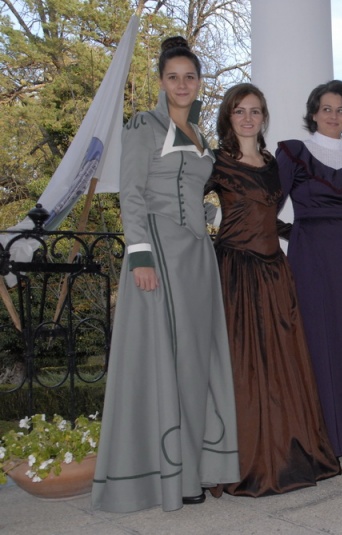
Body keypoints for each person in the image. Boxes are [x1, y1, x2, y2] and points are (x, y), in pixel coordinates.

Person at [92, 37, 239, 513]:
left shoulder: (200, 137)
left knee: (196, 361)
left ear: (199, 83)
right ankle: (172, 476)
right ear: (160, 81)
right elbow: (131, 192)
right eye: (173, 77)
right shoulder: (144, 125)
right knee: (167, 360)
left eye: (189, 77)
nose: (182, 84)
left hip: (197, 257)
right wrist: (139, 255)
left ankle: (196, 468)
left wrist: (211, 217)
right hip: (158, 253)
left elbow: (194, 195)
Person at [204, 83, 341, 497]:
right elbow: (185, 203)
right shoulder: (214, 162)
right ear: (228, 117)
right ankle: (245, 461)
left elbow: (267, 214)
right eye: (239, 111)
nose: (248, 118)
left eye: (255, 111)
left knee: (284, 365)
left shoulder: (271, 163)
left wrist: (308, 235)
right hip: (235, 271)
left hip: (274, 272)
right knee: (242, 368)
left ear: (264, 117)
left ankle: (286, 452)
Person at [275, 80, 342, 459]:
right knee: (313, 343)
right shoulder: (293, 154)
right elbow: (266, 205)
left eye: (341, 110)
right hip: (310, 261)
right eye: (326, 108)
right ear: (313, 113)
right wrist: (295, 233)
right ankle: (317, 438)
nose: (334, 116)